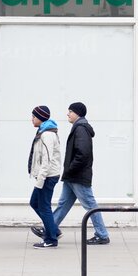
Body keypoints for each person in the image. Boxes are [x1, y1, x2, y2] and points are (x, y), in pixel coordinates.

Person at [32, 101, 110, 245]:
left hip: (77, 176)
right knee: (63, 204)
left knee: (90, 205)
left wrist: (71, 169)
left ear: (77, 113)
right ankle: (51, 228)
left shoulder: (80, 129)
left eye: (70, 111)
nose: (68, 114)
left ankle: (102, 234)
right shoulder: (79, 127)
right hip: (72, 175)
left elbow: (82, 154)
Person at [28, 105, 62, 249]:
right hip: (46, 175)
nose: (32, 119)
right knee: (35, 203)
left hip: (48, 176)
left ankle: (50, 239)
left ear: (40, 118)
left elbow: (46, 160)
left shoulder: (47, 134)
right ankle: (53, 230)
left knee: (44, 206)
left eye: (33, 117)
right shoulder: (43, 131)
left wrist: (40, 180)